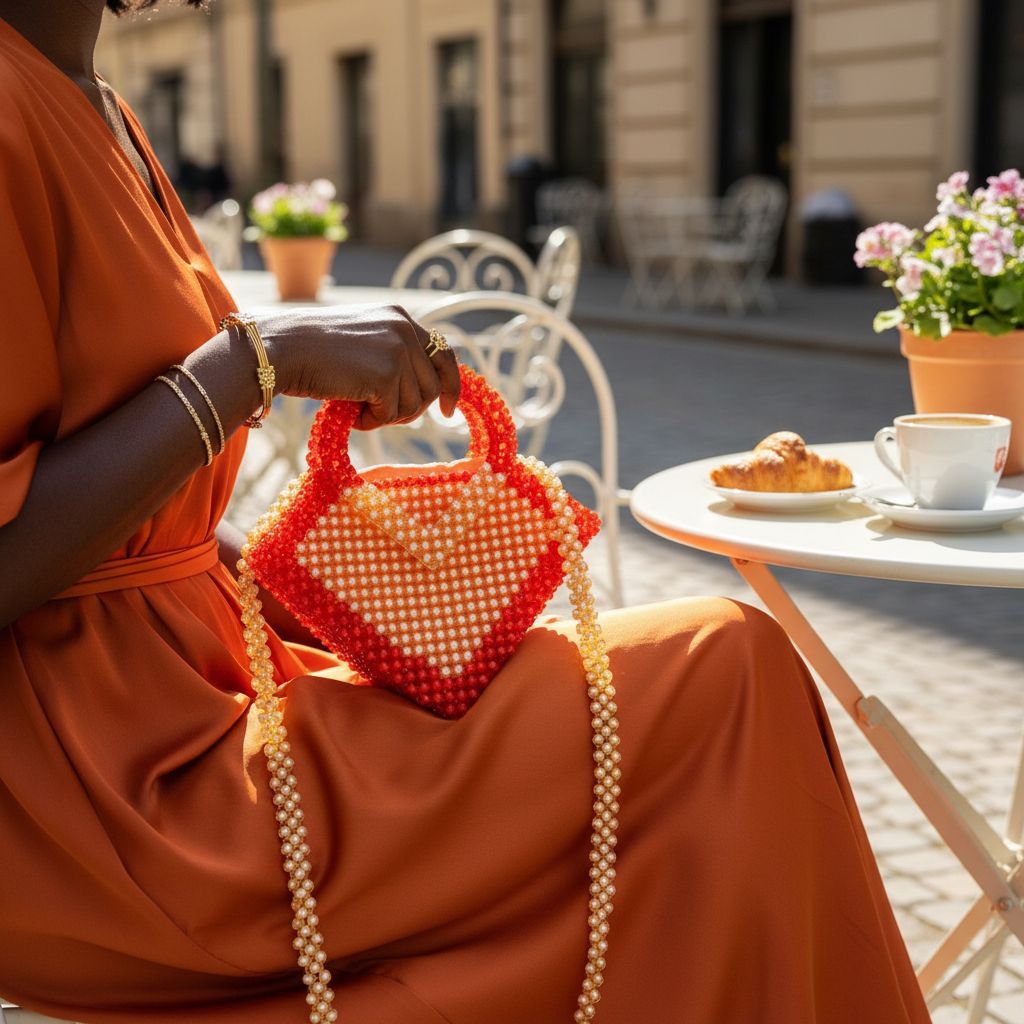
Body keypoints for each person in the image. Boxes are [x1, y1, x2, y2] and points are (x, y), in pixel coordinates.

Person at [0, 3, 931, 1023]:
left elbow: (152, 527)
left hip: (206, 687)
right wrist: (255, 361)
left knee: (695, 695)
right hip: (111, 797)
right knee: (725, 665)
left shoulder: (100, 102)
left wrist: (340, 605)